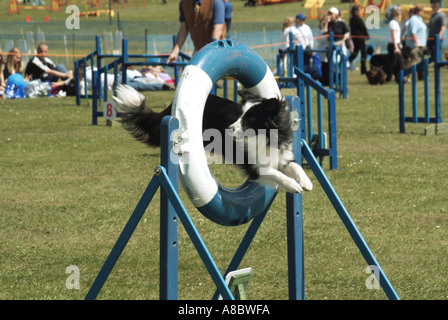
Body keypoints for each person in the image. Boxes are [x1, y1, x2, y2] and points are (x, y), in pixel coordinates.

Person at [167, 0, 227, 64]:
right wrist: (175, 52)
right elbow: (183, 28)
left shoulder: (216, 2)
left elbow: (217, 29)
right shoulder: (184, 3)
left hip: (218, 50)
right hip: (198, 50)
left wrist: (210, 54)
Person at [348, 4, 369, 74]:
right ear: (356, 11)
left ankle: (347, 62)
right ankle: (363, 70)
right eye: (359, 10)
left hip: (355, 38)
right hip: (360, 38)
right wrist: (366, 36)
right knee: (363, 54)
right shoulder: (357, 19)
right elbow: (363, 28)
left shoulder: (351, 19)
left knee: (355, 53)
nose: (360, 11)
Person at [387, 7, 404, 82]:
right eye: (400, 15)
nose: (401, 16)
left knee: (398, 63)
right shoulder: (392, 23)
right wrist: (396, 48)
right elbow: (393, 35)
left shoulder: (396, 23)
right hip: (393, 45)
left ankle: (398, 79)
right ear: (396, 15)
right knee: (396, 63)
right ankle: (390, 78)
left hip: (396, 44)